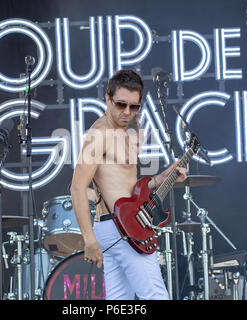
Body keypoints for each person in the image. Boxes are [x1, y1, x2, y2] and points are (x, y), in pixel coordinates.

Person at [70, 69, 187, 300]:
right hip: (118, 228)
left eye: (134, 106)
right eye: (121, 104)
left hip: (123, 225)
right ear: (107, 98)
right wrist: (89, 239)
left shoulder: (132, 130)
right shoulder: (99, 134)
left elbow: (127, 187)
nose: (127, 112)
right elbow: (76, 188)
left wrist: (160, 179)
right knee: (155, 296)